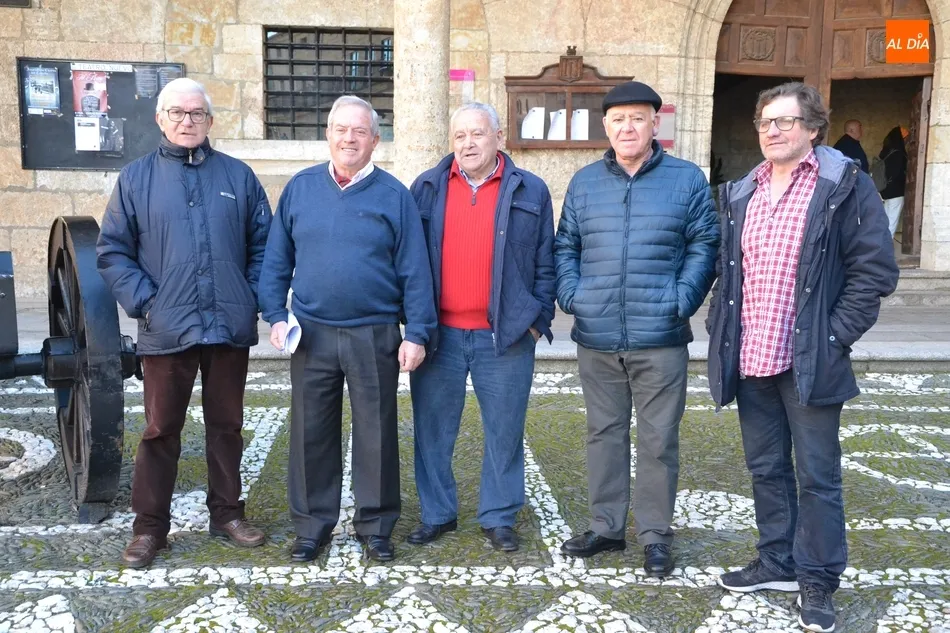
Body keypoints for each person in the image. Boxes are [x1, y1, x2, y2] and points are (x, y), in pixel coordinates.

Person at [707, 82, 899, 633]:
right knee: (765, 468)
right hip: (751, 354)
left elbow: (874, 272)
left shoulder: (844, 186)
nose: (772, 130)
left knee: (817, 476)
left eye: (785, 122)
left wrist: (835, 336)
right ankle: (777, 560)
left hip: (811, 358)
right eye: (766, 122)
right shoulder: (743, 191)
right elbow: (730, 270)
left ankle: (816, 578)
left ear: (813, 129)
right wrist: (721, 321)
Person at [97, 78, 271, 568]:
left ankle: (228, 513)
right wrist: (147, 303)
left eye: (196, 114)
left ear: (210, 121)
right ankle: (150, 528)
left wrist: (249, 295)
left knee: (227, 426)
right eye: (177, 113)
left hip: (226, 326)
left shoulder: (238, 177)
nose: (187, 122)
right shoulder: (135, 180)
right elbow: (112, 251)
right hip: (166, 328)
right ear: (160, 119)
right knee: (159, 430)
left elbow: (265, 245)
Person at [258, 95, 437, 564]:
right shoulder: (300, 188)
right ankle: (312, 527)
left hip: (374, 332)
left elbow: (415, 270)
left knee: (376, 432)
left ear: (376, 140)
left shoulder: (395, 195)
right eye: (341, 129)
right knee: (310, 431)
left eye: (360, 131)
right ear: (328, 135)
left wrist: (417, 332)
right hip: (312, 332)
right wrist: (276, 314)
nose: (349, 138)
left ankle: (376, 526)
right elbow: (277, 259)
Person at [554, 81, 720, 575]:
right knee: (602, 433)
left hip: (660, 336)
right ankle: (606, 528)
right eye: (618, 119)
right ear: (605, 126)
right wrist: (573, 296)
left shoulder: (686, 179)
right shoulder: (584, 183)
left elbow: (705, 243)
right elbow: (566, 246)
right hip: (598, 333)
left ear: (655, 125)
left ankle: (654, 535)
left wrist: (681, 299)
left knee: (657, 439)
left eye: (638, 118)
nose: (627, 127)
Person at [406, 102, 556, 552]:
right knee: (432, 429)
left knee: (505, 431)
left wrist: (535, 320)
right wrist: (413, 325)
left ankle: (499, 515)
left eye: (477, 134)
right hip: (440, 336)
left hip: (505, 336)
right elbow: (410, 260)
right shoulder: (427, 187)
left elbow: (545, 261)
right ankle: (437, 513)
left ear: (498, 136)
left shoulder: (531, 189)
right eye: (460, 136)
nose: (468, 144)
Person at [878, 125, 908, 237]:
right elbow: (896, 173)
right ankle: (886, 248)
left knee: (885, 220)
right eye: (905, 138)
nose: (906, 141)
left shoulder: (887, 151)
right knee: (891, 221)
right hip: (896, 192)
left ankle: (881, 245)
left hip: (885, 191)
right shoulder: (899, 153)